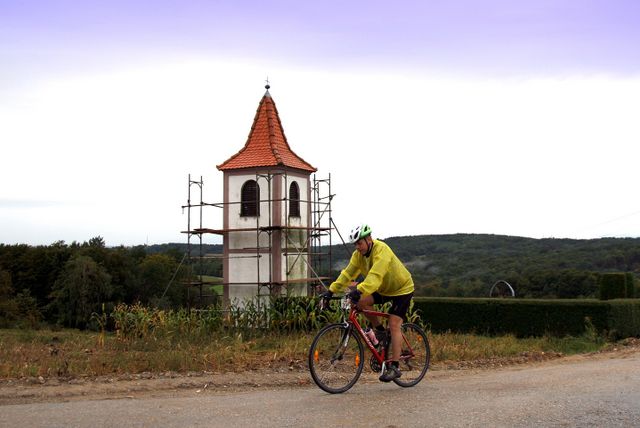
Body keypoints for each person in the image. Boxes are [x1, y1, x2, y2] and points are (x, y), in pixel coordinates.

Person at [321, 224, 414, 382]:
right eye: (355, 244)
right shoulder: (358, 255)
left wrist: (359, 290)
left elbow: (375, 276)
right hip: (383, 289)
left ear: (369, 239)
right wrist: (331, 291)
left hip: (401, 289)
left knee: (394, 323)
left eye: (360, 243)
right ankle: (380, 331)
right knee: (360, 303)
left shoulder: (381, 250)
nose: (358, 247)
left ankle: (395, 367)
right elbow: (347, 273)